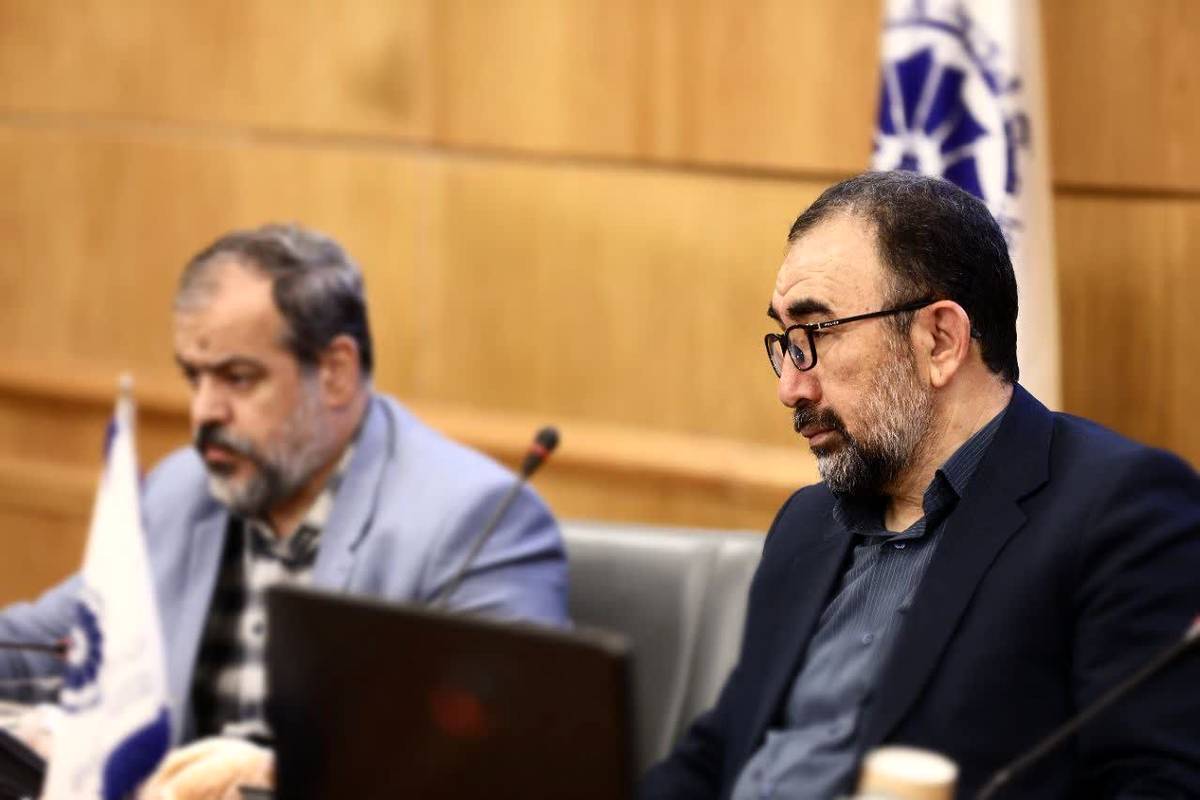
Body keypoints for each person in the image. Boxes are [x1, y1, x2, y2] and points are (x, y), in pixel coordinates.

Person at [641, 172, 1200, 799]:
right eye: (787, 343)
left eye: (817, 335)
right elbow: (723, 748)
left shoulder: (1119, 511)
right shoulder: (806, 523)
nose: (790, 388)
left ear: (940, 340)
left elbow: (1157, 786)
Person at [0, 224, 568, 796]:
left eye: (238, 378)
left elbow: (510, 762)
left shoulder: (473, 521)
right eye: (194, 377)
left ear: (336, 372)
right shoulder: (182, 489)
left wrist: (280, 776)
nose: (204, 412)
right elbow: (47, 644)